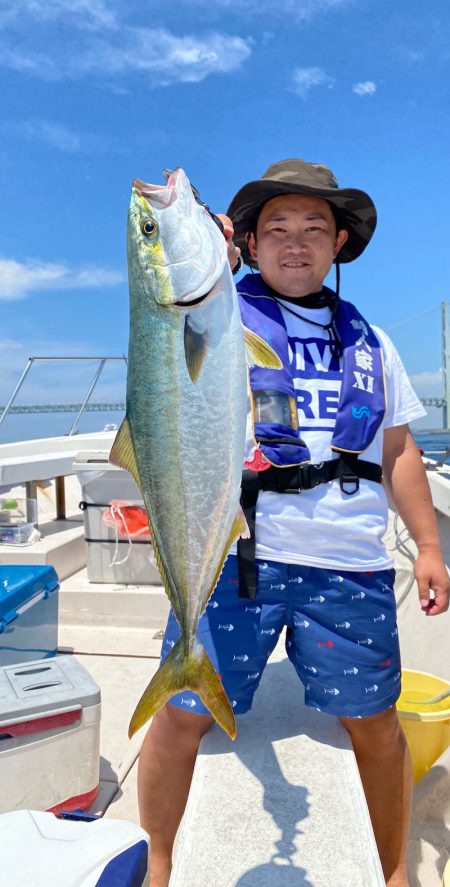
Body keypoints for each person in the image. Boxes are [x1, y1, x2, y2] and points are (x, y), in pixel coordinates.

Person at [137, 159, 450, 887]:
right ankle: (157, 861)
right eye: (276, 229)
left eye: (314, 228)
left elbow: (397, 448)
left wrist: (430, 543)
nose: (296, 243)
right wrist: (200, 245)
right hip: (238, 560)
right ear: (246, 242)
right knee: (183, 714)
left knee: (376, 723)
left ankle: (394, 869)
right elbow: (172, 334)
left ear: (340, 242)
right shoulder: (214, 313)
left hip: (351, 566)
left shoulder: (372, 343)